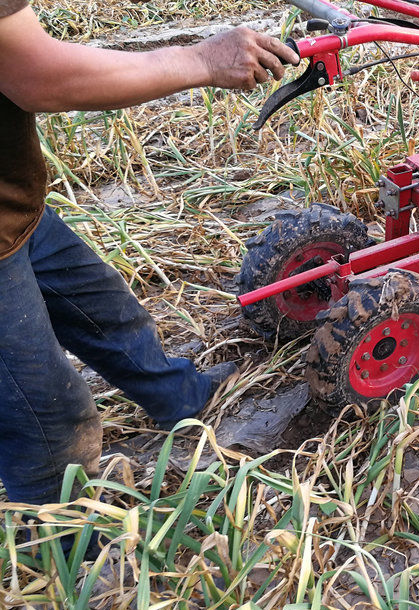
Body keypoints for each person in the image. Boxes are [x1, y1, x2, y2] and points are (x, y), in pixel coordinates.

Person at [0, 0, 299, 505]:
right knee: (48, 420)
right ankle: (61, 559)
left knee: (107, 312)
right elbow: (39, 77)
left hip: (14, 208)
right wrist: (201, 61)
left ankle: (182, 399)